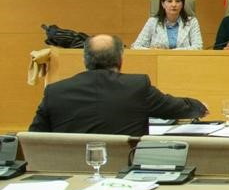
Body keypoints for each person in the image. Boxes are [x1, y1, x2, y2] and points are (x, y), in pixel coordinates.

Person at [29, 34, 207, 135]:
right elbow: (176, 108)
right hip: (123, 173)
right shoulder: (136, 86)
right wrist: (199, 107)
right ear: (121, 59)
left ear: (85, 60)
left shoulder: (55, 91)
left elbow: (33, 138)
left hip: (66, 177)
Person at [132, 0, 203, 50]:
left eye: (177, 1)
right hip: (158, 61)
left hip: (183, 61)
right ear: (163, 4)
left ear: (182, 5)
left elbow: (198, 46)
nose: (174, 5)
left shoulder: (191, 22)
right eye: (169, 1)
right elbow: (136, 46)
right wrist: (152, 50)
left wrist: (173, 52)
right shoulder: (153, 22)